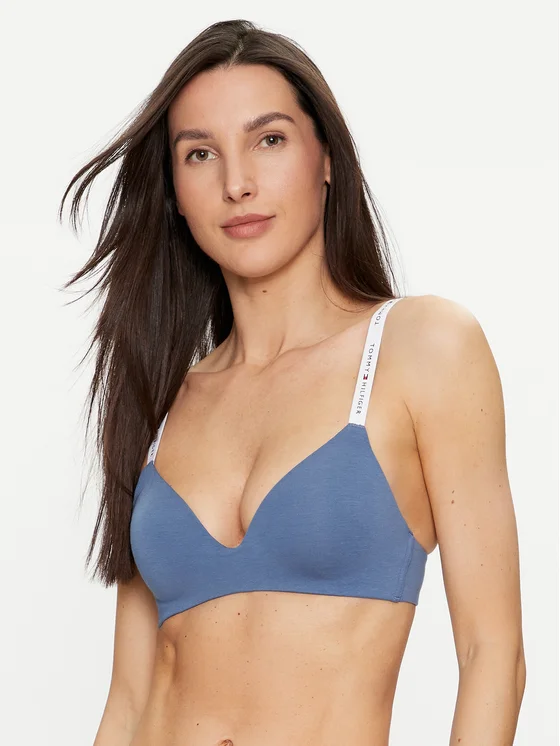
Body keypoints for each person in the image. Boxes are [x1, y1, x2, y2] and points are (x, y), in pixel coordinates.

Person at [59, 19, 525, 746]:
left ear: (326, 157)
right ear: (175, 191)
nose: (236, 183)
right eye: (200, 153)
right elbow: (128, 699)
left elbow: (491, 654)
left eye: (269, 140)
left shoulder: (422, 349)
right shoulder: (163, 403)